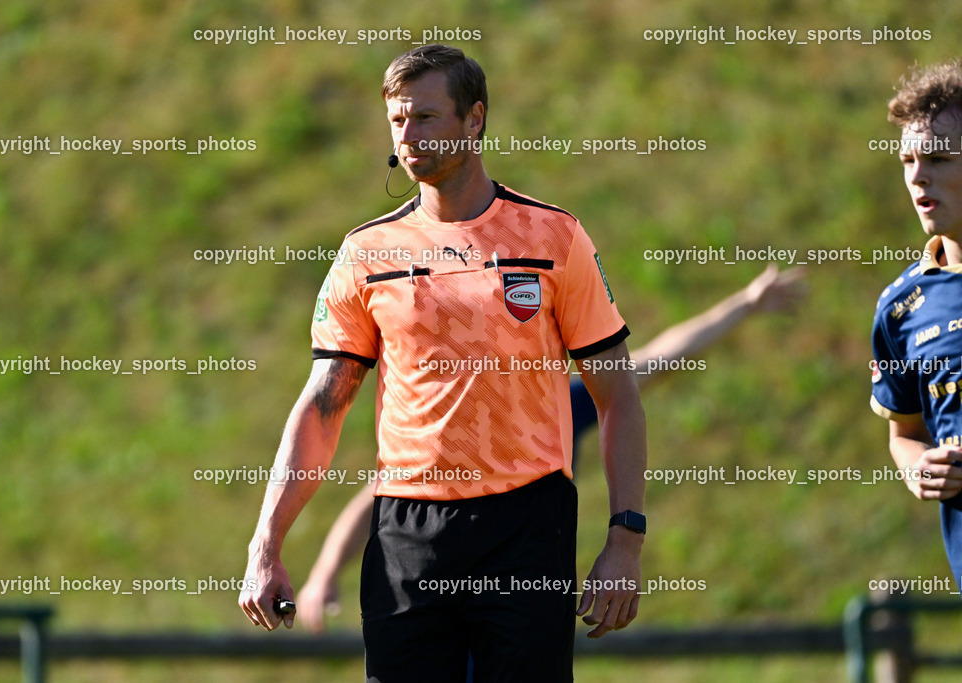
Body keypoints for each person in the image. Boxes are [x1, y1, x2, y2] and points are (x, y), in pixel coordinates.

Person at [239, 44, 647, 682]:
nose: (409, 137)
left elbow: (617, 397)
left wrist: (625, 540)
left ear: (474, 119)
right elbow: (321, 407)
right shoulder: (365, 253)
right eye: (398, 121)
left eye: (426, 117)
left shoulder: (553, 238)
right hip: (407, 529)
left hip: (526, 523)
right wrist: (266, 543)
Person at [298, 264, 806, 633]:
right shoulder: (461, 418)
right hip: (441, 590)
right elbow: (378, 497)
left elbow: (660, 358)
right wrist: (324, 573)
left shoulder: (564, 402)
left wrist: (745, 304)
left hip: (523, 585)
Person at [870, 57, 962, 589]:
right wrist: (919, 468)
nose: (917, 175)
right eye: (908, 160)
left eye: (939, 157)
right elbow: (904, 434)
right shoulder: (902, 306)